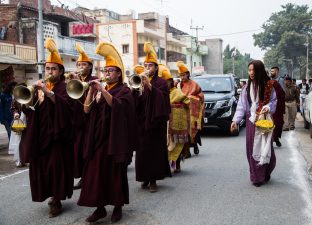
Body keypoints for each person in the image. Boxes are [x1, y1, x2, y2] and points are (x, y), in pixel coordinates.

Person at [77, 42, 136, 223]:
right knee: (95, 173)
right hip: (98, 140)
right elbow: (86, 111)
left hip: (115, 140)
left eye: (110, 71)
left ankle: (117, 206)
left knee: (115, 174)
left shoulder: (124, 91)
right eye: (105, 71)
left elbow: (117, 106)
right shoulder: (100, 91)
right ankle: (100, 208)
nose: (107, 74)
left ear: (118, 73)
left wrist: (102, 90)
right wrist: (89, 91)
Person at [19, 38, 74, 217]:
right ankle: (49, 194)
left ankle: (57, 200)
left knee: (55, 168)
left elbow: (67, 108)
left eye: (53, 69)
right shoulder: (39, 87)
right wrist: (28, 100)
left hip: (57, 136)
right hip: (40, 135)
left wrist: (49, 93)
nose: (50, 72)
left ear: (60, 71)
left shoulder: (65, 87)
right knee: (41, 168)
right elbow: (30, 110)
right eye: (48, 68)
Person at [231, 60, 277, 187]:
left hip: (265, 122)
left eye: (254, 70)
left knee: (267, 149)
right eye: (249, 70)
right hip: (252, 122)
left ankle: (266, 172)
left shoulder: (269, 86)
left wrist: (267, 107)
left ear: (260, 70)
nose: (251, 72)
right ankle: (257, 177)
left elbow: (273, 102)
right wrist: (235, 121)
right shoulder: (246, 88)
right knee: (252, 150)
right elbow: (241, 106)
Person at [134, 42, 171, 193]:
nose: (147, 68)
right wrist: (135, 91)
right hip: (142, 122)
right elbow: (135, 103)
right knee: (142, 151)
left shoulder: (161, 83)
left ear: (156, 68)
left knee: (154, 151)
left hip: (156, 123)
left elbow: (163, 100)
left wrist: (150, 87)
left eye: (150, 66)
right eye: (145, 65)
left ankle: (154, 180)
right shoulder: (138, 81)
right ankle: (144, 177)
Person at [69, 43, 97, 190]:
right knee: (77, 149)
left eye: (83, 64)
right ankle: (80, 175)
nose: (80, 66)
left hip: (90, 119)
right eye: (78, 64)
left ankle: (87, 176)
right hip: (76, 120)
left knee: (87, 148)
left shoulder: (94, 79)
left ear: (90, 66)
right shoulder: (74, 79)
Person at [159, 66, 190, 173]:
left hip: (177, 123)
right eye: (164, 82)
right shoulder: (161, 93)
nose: (165, 84)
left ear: (171, 82)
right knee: (166, 145)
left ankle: (177, 164)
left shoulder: (177, 92)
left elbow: (188, 102)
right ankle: (166, 165)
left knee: (177, 144)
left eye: (167, 82)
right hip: (164, 123)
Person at [177, 61, 204, 156]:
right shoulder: (178, 85)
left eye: (183, 75)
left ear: (187, 74)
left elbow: (200, 96)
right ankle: (186, 151)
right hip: (181, 111)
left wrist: (191, 99)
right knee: (183, 131)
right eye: (180, 75)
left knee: (192, 130)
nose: (182, 77)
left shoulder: (194, 84)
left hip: (192, 111)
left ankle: (194, 145)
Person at [270, 67, 285, 147]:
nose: (271, 72)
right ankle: (272, 139)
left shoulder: (281, 80)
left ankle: (276, 138)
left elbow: (283, 93)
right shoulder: (269, 80)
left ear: (277, 72)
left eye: (272, 71)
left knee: (278, 123)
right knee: (271, 123)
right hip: (270, 105)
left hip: (278, 105)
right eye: (271, 71)